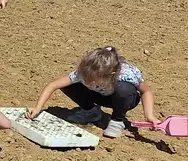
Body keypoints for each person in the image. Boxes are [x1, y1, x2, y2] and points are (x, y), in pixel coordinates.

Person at [28, 46, 159, 139]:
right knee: (69, 84)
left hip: (123, 98)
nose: (88, 82)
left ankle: (117, 120)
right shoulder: (85, 72)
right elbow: (53, 85)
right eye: (87, 79)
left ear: (110, 74)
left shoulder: (126, 74)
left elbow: (146, 92)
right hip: (99, 95)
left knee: (124, 89)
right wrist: (38, 107)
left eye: (93, 80)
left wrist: (149, 116)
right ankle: (91, 112)